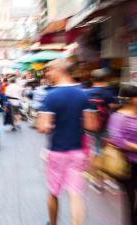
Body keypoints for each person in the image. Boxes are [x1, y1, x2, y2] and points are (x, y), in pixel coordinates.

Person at [37, 59, 98, 225]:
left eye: (49, 69)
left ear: (60, 70)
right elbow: (92, 125)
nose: (47, 73)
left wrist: (51, 123)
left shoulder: (51, 96)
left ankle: (53, 223)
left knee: (54, 193)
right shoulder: (85, 94)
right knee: (76, 194)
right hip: (78, 152)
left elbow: (42, 127)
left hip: (57, 152)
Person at [107, 84, 137, 225]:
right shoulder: (118, 117)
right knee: (131, 199)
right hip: (127, 164)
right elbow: (118, 140)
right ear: (132, 99)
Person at [85, 68, 119, 191]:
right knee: (105, 152)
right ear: (105, 80)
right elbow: (114, 106)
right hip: (104, 127)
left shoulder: (86, 93)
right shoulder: (107, 93)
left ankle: (94, 181)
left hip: (89, 127)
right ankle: (108, 180)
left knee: (94, 152)